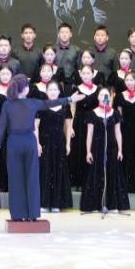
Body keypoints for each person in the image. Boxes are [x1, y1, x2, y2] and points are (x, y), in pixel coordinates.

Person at [0, 74, 84, 221]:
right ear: (25, 89)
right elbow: (50, 104)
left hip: (14, 142)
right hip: (29, 141)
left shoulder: (7, 105)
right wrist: (69, 99)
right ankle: (32, 213)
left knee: (15, 179)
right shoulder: (32, 103)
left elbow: (2, 126)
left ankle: (18, 214)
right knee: (32, 178)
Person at [79, 87, 129, 213]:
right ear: (97, 97)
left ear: (110, 97)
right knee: (96, 174)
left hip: (111, 147)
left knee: (111, 174)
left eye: (106, 95)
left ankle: (111, 204)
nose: (104, 97)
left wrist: (120, 150)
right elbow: (89, 134)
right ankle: (96, 204)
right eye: (101, 95)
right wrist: (88, 151)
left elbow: (118, 133)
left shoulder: (115, 113)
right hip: (97, 147)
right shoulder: (92, 113)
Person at [36, 80, 74, 212]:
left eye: (55, 90)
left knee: (59, 170)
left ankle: (57, 203)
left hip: (59, 141)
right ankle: (44, 203)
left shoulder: (65, 106)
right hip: (45, 142)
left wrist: (68, 144)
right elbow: (35, 126)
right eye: (50, 90)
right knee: (45, 171)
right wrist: (37, 143)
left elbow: (68, 127)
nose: (52, 92)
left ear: (59, 92)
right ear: (46, 91)